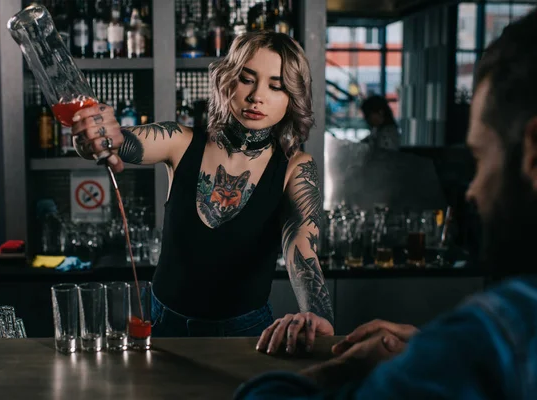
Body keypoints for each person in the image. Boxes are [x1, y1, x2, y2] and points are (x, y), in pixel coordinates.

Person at [234, 7, 537, 399]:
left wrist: (342, 368)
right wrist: (423, 344)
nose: (472, 190)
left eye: (480, 159)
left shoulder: (491, 335)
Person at [70, 31, 334, 348]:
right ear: (227, 82)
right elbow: (121, 141)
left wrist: (318, 315)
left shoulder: (295, 167)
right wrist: (99, 136)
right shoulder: (180, 141)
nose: (257, 96)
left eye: (275, 86)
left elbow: (302, 252)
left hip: (246, 334)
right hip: (161, 323)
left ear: (292, 98)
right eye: (247, 79)